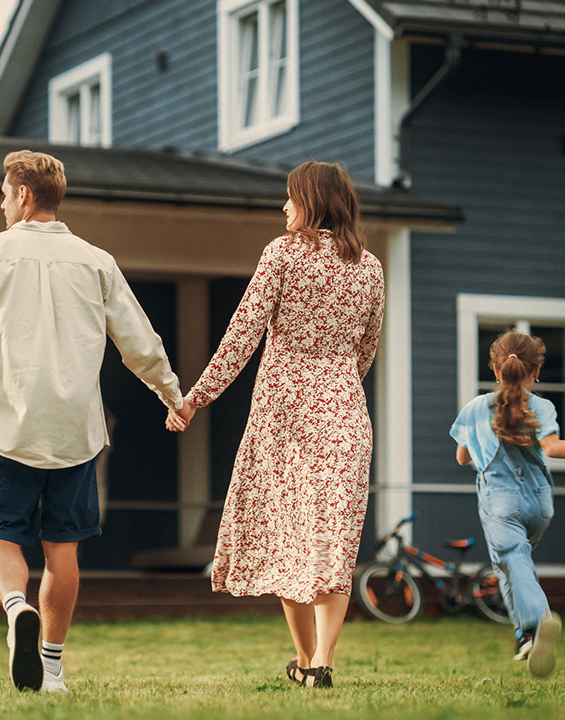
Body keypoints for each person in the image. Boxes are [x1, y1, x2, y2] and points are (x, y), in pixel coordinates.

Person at [0, 149, 184, 693]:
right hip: (77, 432)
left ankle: (15, 610)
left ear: (24, 196)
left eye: (6, 194)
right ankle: (51, 668)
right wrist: (172, 394)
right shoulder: (96, 260)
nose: (3, 203)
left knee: (1, 537)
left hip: (10, 428)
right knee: (63, 548)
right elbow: (138, 341)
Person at [167, 161, 385, 689]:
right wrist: (334, 384)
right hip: (345, 418)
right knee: (333, 544)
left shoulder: (282, 255)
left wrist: (196, 398)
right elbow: (366, 348)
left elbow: (241, 334)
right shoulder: (370, 266)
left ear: (309, 201)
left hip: (283, 422)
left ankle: (305, 659)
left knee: (288, 540)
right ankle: (323, 662)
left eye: (290, 198)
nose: (283, 208)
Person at [450, 330, 565, 678]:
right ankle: (525, 638)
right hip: (540, 504)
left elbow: (462, 458)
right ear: (536, 372)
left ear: (495, 370)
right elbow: (553, 448)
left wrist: (477, 443)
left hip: (500, 502)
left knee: (511, 559)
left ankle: (538, 621)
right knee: (511, 563)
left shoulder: (475, 409)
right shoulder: (542, 406)